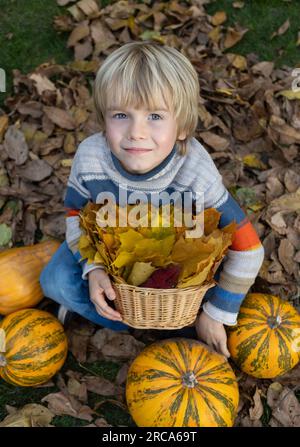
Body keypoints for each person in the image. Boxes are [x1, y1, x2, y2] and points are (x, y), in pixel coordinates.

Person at [40, 41, 265, 358]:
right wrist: (93, 269)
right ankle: (127, 322)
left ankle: (178, 324)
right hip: (110, 252)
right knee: (55, 282)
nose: (136, 132)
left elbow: (250, 250)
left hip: (174, 267)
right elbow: (76, 214)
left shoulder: (195, 175)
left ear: (183, 126)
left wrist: (217, 313)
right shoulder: (91, 158)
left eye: (155, 116)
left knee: (200, 305)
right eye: (121, 114)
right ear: (103, 119)